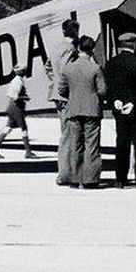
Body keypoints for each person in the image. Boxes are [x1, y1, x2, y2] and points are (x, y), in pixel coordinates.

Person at [103, 32, 136, 187]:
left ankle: (120, 179)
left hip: (119, 109)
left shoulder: (111, 63)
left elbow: (108, 87)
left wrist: (115, 101)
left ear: (121, 45)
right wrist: (133, 103)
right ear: (134, 44)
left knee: (122, 143)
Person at [57, 35, 106, 188]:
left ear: (78, 48)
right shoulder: (95, 68)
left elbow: (61, 90)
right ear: (92, 49)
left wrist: (72, 97)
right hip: (92, 110)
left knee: (75, 144)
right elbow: (102, 90)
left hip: (73, 109)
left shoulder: (68, 68)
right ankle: (90, 180)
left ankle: (75, 179)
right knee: (91, 145)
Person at [50, 18, 82, 185]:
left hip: (57, 95)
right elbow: (66, 73)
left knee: (65, 134)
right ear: (75, 31)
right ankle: (65, 174)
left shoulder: (56, 47)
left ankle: (65, 172)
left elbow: (49, 67)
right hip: (66, 97)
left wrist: (54, 86)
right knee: (69, 136)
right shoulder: (70, 49)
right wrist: (67, 92)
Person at [0, 74, 36, 159]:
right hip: (16, 107)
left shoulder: (15, 80)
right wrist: (25, 97)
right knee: (24, 128)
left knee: (8, 128)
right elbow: (15, 96)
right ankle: (28, 151)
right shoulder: (18, 81)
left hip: (13, 107)